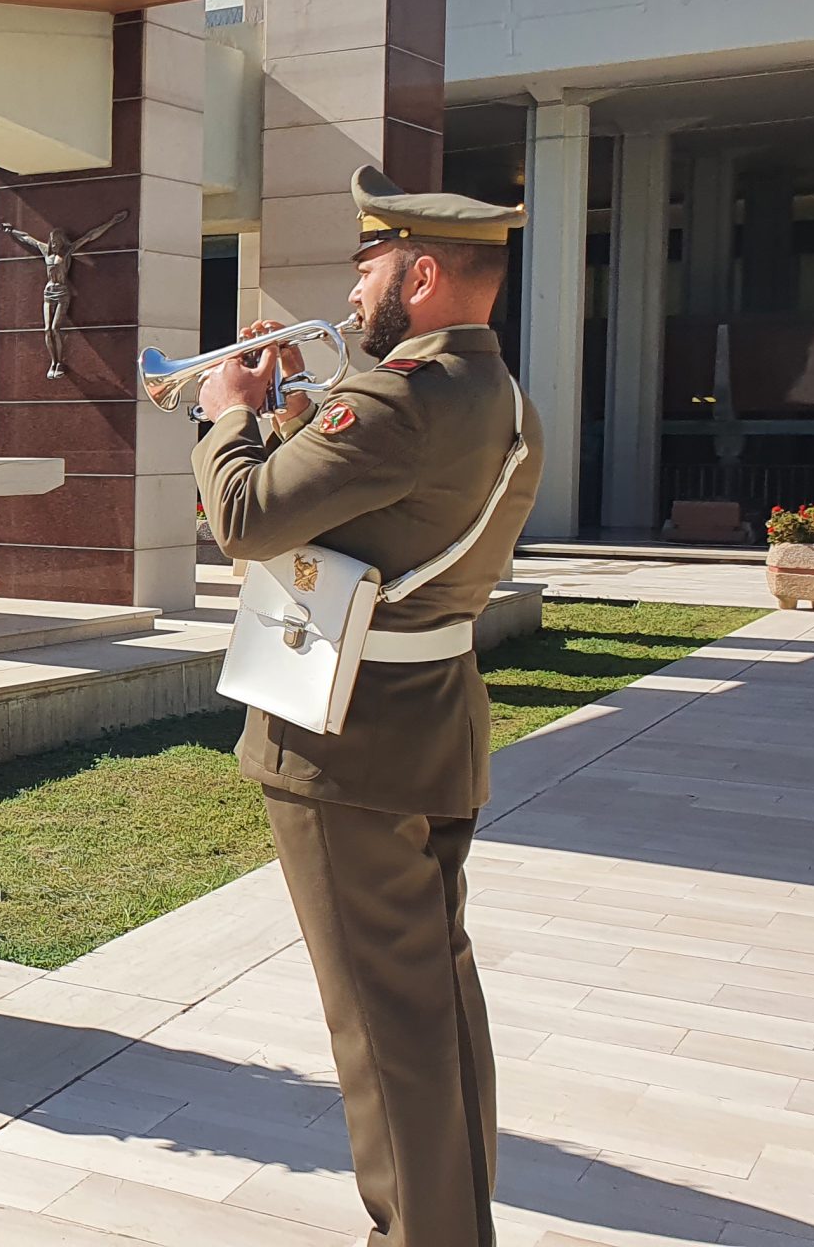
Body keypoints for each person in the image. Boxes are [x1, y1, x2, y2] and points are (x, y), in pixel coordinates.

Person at [191, 165, 541, 1246]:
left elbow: (245, 519)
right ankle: (450, 1225)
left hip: (348, 745)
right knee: (432, 1007)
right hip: (428, 718)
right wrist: (302, 417)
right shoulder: (492, 393)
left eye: (371, 268)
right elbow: (374, 511)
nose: (353, 295)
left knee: (381, 1035)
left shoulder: (398, 398)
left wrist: (226, 415)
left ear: (423, 273)